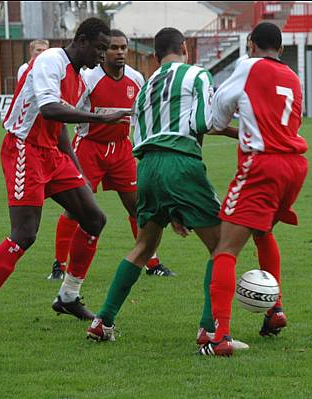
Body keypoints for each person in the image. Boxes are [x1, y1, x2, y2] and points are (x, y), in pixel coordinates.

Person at [0, 18, 131, 337]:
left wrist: (76, 168)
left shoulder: (79, 77)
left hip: (51, 153)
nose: (102, 55)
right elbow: (50, 109)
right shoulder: (51, 60)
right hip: (24, 148)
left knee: (94, 219)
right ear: (81, 41)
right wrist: (99, 117)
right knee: (24, 233)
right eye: (100, 48)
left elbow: (59, 128)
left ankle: (67, 296)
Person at [85, 27, 222, 343]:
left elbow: (141, 134)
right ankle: (209, 329)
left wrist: (172, 204)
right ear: (184, 48)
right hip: (180, 163)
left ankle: (102, 321)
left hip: (145, 168)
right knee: (221, 247)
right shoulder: (197, 75)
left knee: (144, 246)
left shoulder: (145, 87)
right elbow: (203, 122)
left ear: (156, 54)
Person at [197, 22, 309, 357]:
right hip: (295, 167)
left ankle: (220, 337)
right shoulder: (292, 76)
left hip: (262, 166)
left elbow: (217, 116)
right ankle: (275, 310)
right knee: (261, 232)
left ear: (250, 43)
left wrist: (224, 127)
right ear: (281, 46)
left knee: (225, 248)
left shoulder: (248, 65)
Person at [48, 29, 176, 281]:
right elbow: (68, 110)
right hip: (89, 148)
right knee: (76, 208)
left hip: (121, 149)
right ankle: (59, 265)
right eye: (114, 48)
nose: (120, 53)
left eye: (123, 48)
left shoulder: (136, 78)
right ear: (103, 51)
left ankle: (151, 262)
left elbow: (141, 113)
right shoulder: (88, 77)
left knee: (138, 206)